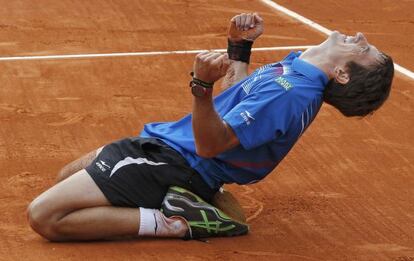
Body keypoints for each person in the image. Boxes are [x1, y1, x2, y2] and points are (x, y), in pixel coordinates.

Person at [27, 12, 394, 241]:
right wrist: (239, 49)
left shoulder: (292, 93)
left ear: (342, 74)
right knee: (66, 177)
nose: (361, 38)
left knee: (46, 217)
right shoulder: (295, 71)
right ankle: (190, 201)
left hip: (179, 161)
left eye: (364, 51)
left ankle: (177, 220)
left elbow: (211, 144)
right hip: (165, 147)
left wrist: (201, 88)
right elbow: (238, 99)